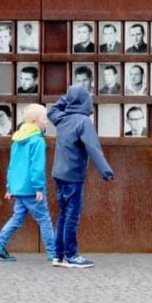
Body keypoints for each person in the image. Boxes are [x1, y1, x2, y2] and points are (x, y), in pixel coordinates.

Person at [48, 85, 114, 268]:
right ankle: (71, 255)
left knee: (63, 214)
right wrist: (105, 170)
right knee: (72, 216)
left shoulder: (62, 118)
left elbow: (52, 110)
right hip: (73, 176)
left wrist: (67, 98)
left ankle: (58, 255)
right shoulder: (83, 122)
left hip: (58, 174)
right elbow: (93, 147)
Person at [0, 103, 57, 263]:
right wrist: (39, 188)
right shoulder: (38, 141)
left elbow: (12, 166)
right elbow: (37, 167)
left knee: (17, 218)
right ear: (35, 121)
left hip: (18, 188)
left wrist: (9, 187)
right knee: (44, 219)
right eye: (44, 119)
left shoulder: (17, 140)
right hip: (33, 190)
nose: (47, 122)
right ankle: (54, 253)